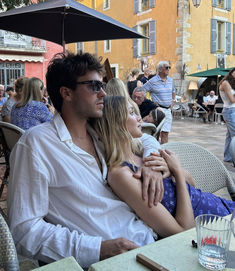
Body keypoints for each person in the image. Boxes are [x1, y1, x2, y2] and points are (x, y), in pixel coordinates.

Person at [7, 52, 170, 268]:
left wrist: (150, 162)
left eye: (102, 85)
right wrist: (96, 249)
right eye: (94, 86)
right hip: (109, 261)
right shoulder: (36, 145)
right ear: (66, 93)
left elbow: (146, 139)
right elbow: (25, 230)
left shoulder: (100, 132)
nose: (103, 92)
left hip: (151, 239)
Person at [94, 95, 235, 237]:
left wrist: (173, 171)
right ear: (115, 123)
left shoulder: (140, 152)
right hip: (212, 228)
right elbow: (182, 232)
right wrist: (178, 172)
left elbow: (192, 187)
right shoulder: (121, 174)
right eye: (131, 113)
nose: (139, 118)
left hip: (218, 208)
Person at [143, 61, 176, 144]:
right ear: (160, 69)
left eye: (169, 67)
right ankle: (155, 151)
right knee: (156, 133)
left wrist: (173, 101)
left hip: (168, 110)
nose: (169, 69)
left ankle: (164, 153)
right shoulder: (152, 81)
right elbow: (142, 92)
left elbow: (173, 91)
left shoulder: (170, 80)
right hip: (158, 110)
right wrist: (150, 103)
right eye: (167, 67)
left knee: (165, 134)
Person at [219, 68, 235, 162]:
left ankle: (228, 157)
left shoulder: (231, 84)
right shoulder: (225, 83)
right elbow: (231, 100)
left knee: (229, 136)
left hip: (232, 110)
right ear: (231, 72)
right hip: (229, 111)